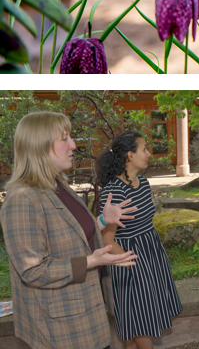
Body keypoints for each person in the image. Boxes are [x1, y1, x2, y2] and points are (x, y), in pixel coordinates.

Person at [0, 112, 138, 349]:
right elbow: (33, 270)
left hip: (87, 316)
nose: (74, 145)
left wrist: (103, 222)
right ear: (39, 146)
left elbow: (70, 234)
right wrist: (89, 262)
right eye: (65, 139)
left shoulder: (58, 184)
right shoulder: (22, 199)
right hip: (60, 330)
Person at [98, 131, 183, 349]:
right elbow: (108, 239)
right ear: (129, 155)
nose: (149, 153)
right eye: (144, 148)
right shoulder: (114, 191)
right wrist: (132, 265)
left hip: (151, 254)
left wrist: (155, 255)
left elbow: (148, 222)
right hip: (129, 261)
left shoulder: (143, 183)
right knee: (140, 320)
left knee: (134, 322)